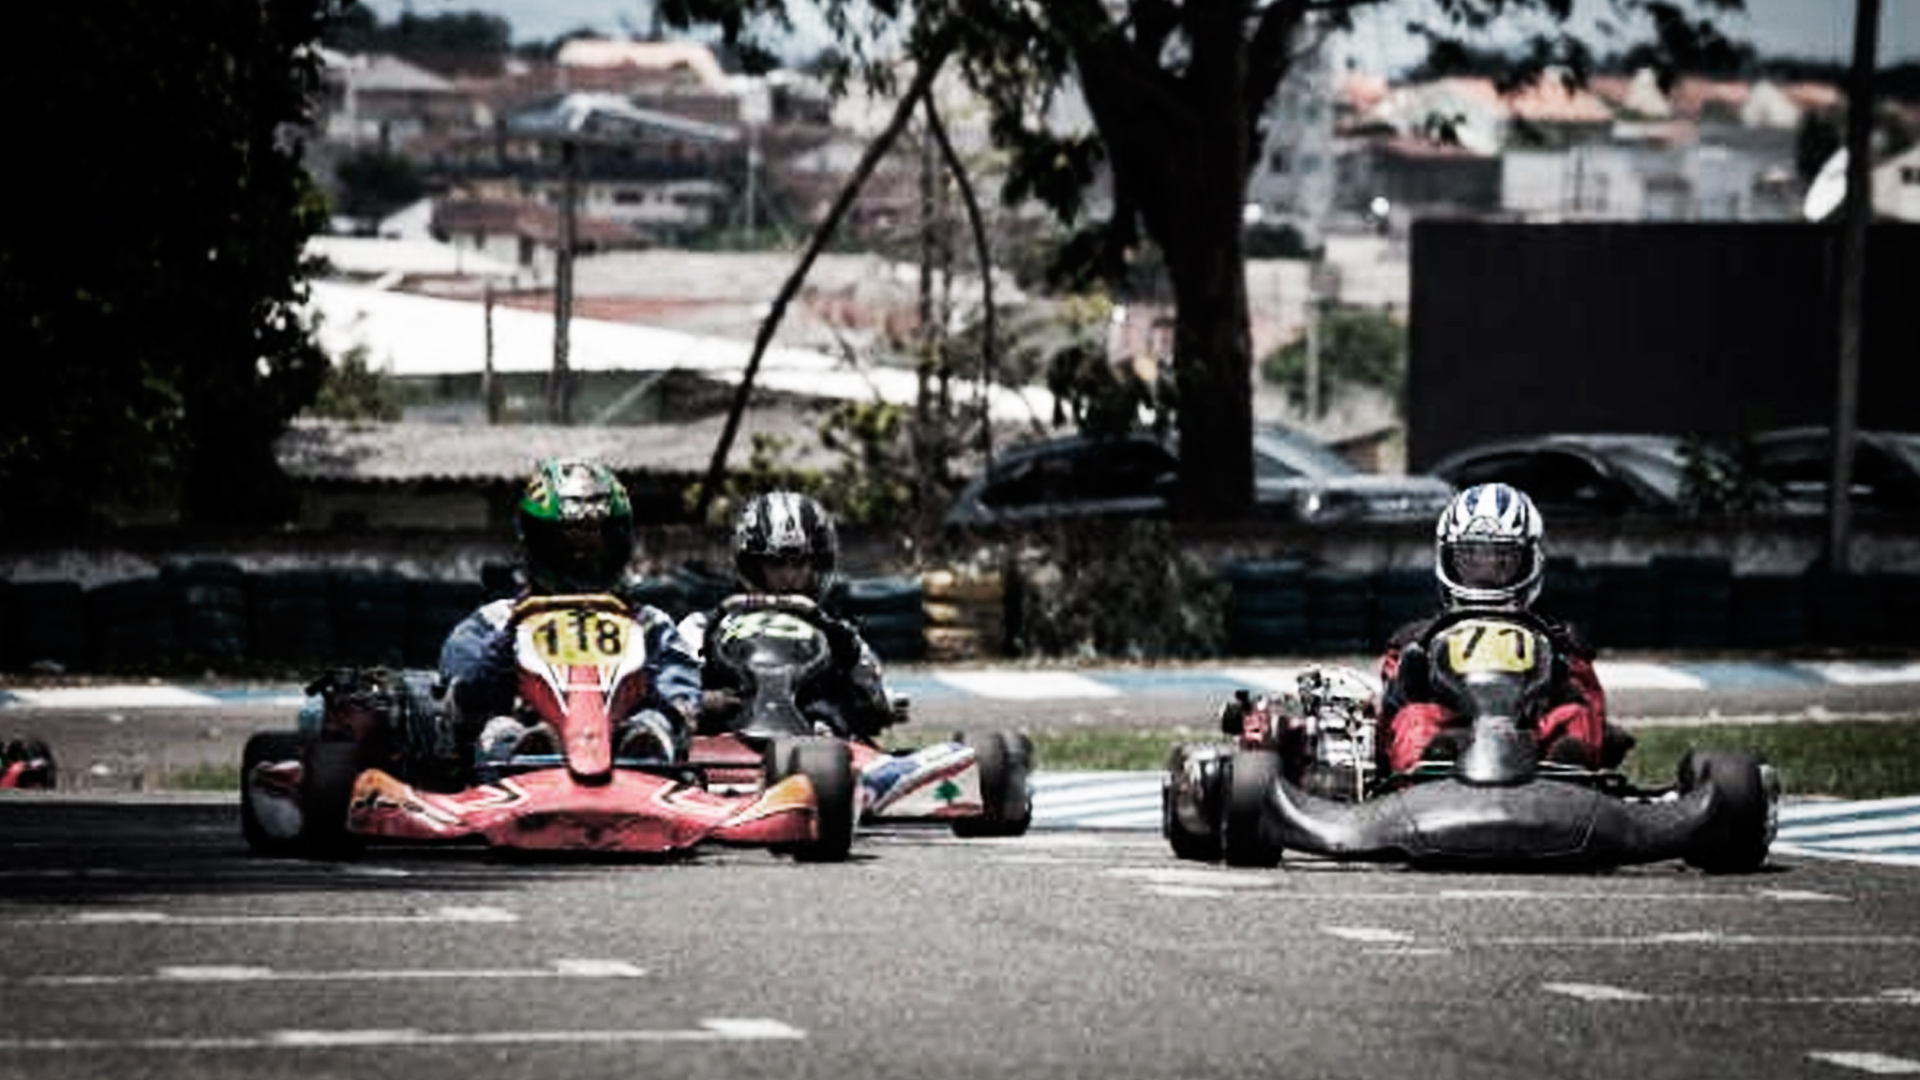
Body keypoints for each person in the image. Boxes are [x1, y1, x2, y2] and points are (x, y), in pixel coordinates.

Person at [439, 457, 703, 771]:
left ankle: (642, 748)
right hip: (517, 772)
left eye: (594, 547)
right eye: (567, 548)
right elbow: (461, 707)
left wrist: (657, 709)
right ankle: (529, 750)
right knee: (500, 729)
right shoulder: (492, 622)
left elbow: (681, 697)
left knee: (655, 722)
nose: (580, 560)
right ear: (535, 544)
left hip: (626, 761)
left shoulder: (648, 625)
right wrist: (505, 644)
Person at [1376, 481, 1618, 773]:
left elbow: (1590, 704)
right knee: (1416, 718)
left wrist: (1563, 680)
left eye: (1501, 559)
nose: (1486, 571)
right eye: (1472, 559)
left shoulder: (1558, 639)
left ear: (1530, 560)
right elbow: (1388, 718)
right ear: (1449, 559)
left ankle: (1567, 773)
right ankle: (1428, 772)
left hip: (1531, 740)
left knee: (1575, 716)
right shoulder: (1414, 639)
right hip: (1451, 736)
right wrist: (1409, 682)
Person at [681, 490, 898, 741]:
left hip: (816, 746)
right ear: (753, 564)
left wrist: (864, 694)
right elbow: (670, 689)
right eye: (776, 563)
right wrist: (703, 700)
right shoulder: (703, 626)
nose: (789, 575)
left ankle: (822, 729)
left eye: (800, 563)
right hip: (725, 742)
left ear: (815, 564)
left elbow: (874, 701)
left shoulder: (837, 634)